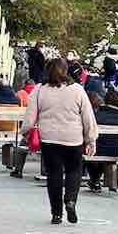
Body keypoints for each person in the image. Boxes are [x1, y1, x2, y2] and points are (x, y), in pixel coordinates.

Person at [21, 58, 98, 225]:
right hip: (73, 138)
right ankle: (70, 200)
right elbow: (87, 116)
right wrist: (91, 139)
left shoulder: (39, 90)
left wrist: (25, 132)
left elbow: (30, 117)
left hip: (49, 138)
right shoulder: (77, 90)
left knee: (54, 175)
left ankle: (56, 213)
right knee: (74, 171)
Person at [86, 90, 118, 193]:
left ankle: (95, 180)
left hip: (99, 149)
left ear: (105, 100)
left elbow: (91, 131)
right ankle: (96, 181)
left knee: (89, 151)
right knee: (105, 153)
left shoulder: (97, 115)